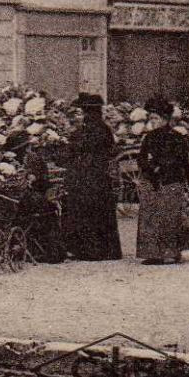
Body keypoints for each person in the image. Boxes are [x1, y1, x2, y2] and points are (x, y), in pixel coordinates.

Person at [136, 116, 189, 265]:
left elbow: (182, 159)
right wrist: (149, 167)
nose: (153, 121)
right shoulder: (149, 137)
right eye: (151, 118)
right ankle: (154, 254)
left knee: (170, 215)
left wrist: (162, 166)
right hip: (152, 178)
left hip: (171, 179)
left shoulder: (177, 138)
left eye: (157, 118)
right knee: (151, 214)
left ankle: (173, 252)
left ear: (165, 119)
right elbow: (141, 157)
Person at [62, 93, 123, 261]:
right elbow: (111, 150)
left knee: (85, 210)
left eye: (83, 112)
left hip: (86, 175)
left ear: (88, 112)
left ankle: (89, 250)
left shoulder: (86, 130)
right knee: (102, 212)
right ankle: (108, 250)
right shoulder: (104, 129)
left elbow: (75, 150)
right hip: (100, 175)